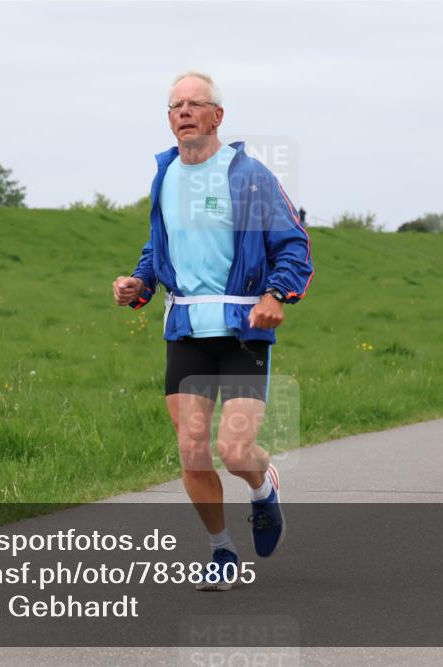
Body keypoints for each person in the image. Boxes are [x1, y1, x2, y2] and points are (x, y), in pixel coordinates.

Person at [112, 72, 313, 590]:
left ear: (217, 116)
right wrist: (139, 282)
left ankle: (263, 490)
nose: (183, 112)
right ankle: (222, 551)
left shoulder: (249, 175)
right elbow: (159, 247)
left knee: (237, 450)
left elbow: (293, 244)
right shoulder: (164, 175)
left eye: (194, 104)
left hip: (243, 328)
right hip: (184, 328)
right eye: (174, 105)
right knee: (193, 449)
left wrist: (276, 295)